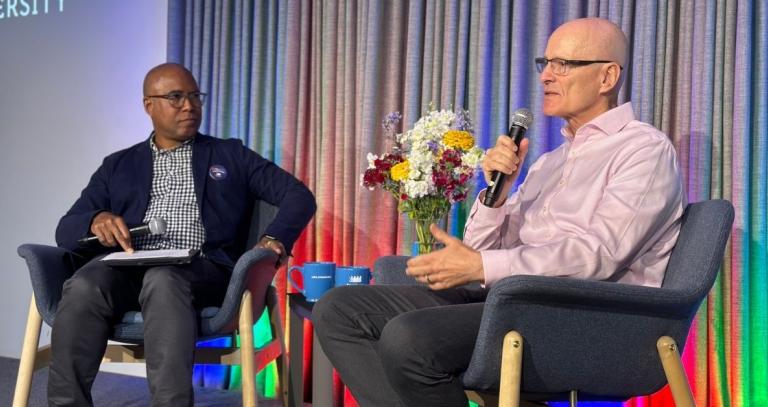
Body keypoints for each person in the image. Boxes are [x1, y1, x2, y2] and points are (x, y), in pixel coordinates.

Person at [313, 17, 684, 407]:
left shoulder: (643, 151)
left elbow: (598, 257)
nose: (546, 77)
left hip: (584, 319)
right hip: (511, 303)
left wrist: (483, 268)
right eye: (545, 63)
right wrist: (498, 195)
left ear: (607, 77)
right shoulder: (550, 163)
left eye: (564, 65)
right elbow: (481, 248)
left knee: (410, 338)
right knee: (338, 309)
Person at [49, 63, 316, 406]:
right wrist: (95, 220)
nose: (189, 106)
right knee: (84, 284)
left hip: (200, 269)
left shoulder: (229, 154)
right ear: (150, 105)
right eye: (176, 97)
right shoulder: (118, 165)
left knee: (163, 278)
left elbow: (298, 196)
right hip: (128, 268)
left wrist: (274, 237)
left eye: (194, 96)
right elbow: (65, 228)